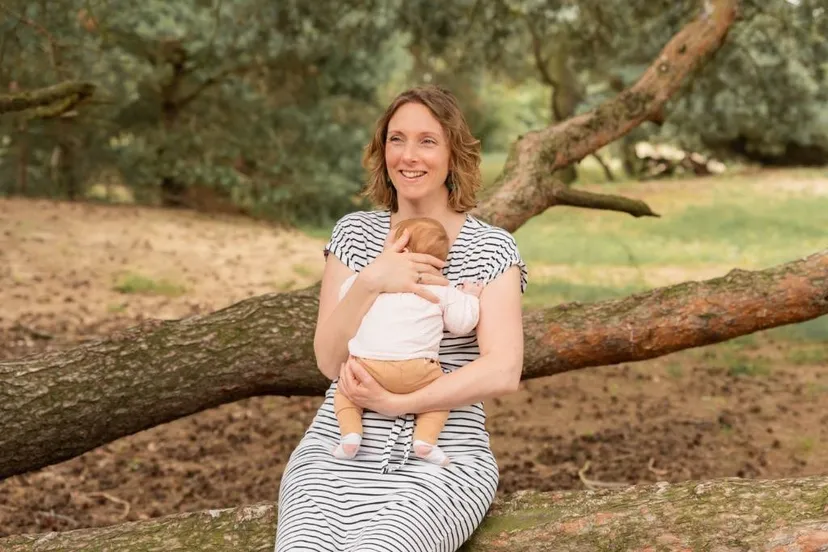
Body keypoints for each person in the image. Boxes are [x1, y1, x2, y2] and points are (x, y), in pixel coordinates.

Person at [274, 84, 527, 552]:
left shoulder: (492, 248)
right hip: (337, 449)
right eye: (397, 139)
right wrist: (374, 280)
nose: (409, 155)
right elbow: (330, 362)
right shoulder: (354, 233)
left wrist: (398, 404)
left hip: (441, 456)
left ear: (454, 154)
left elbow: (504, 369)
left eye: (427, 141)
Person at [332, 216, 484, 467]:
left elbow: (345, 293)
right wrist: (469, 296)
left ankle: (350, 435)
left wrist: (375, 272)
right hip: (419, 371)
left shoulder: (376, 284)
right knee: (440, 397)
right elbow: (462, 324)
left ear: (400, 249)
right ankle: (425, 441)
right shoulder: (441, 289)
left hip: (367, 367)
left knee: (345, 393)